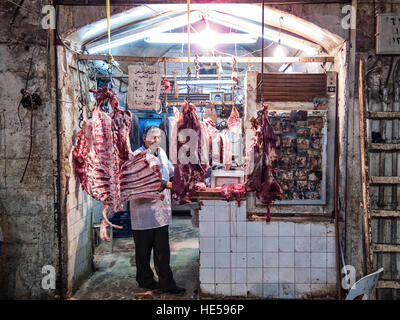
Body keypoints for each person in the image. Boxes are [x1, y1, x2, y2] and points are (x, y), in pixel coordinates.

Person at [129, 125, 185, 295]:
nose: (156, 140)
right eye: (153, 137)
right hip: (143, 211)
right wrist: (173, 186)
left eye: (158, 137)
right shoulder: (136, 156)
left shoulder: (161, 152)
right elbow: (149, 181)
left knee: (162, 251)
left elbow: (169, 171)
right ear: (144, 138)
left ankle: (166, 283)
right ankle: (145, 281)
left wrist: (185, 176)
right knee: (143, 252)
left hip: (160, 212)